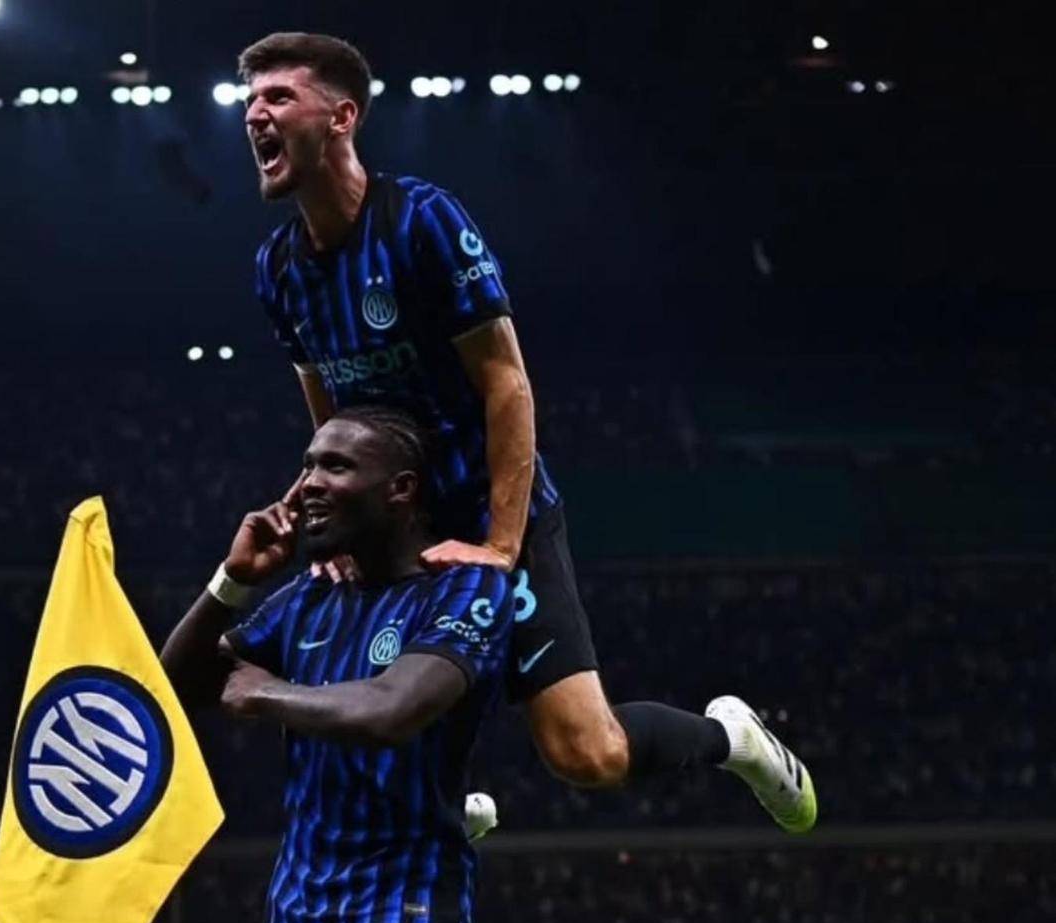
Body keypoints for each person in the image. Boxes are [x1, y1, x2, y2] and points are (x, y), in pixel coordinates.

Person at [237, 31, 816, 833]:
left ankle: (732, 739)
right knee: (365, 695)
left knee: (587, 754)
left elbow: (506, 382)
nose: (254, 115)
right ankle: (449, 809)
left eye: (278, 97)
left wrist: (502, 542)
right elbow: (327, 409)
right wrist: (334, 521)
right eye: (249, 101)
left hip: (492, 508)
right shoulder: (276, 269)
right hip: (397, 526)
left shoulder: (421, 222)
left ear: (342, 117)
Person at [161, 406, 514, 923]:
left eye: (337, 466)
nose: (309, 484)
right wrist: (232, 581)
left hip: (401, 909)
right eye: (308, 463)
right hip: (294, 916)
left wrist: (265, 693)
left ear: (401, 489)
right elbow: (179, 681)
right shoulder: (308, 597)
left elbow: (392, 708)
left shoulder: (464, 591)